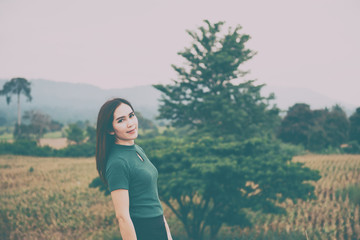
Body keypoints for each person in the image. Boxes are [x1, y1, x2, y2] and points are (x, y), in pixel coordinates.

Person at [95, 98, 172, 240]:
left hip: (159, 226)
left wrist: (168, 235)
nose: (130, 123)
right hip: (143, 231)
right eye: (121, 120)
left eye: (131, 115)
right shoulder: (117, 162)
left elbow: (153, 200)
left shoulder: (137, 149)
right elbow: (122, 217)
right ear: (110, 130)